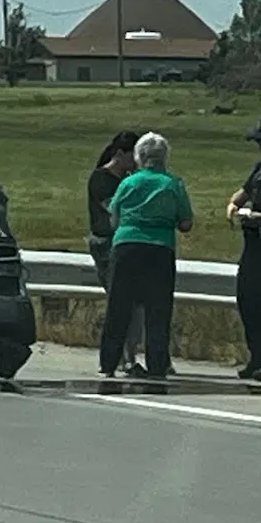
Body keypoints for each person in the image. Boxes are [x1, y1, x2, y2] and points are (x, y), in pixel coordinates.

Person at [99, 132, 193, 380]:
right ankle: (157, 364)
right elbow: (185, 223)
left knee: (118, 306)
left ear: (139, 156)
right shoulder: (173, 184)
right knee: (158, 310)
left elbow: (114, 218)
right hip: (160, 249)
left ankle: (108, 362)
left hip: (126, 246)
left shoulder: (128, 183)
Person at [225, 114, 261, 381]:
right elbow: (242, 193)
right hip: (254, 244)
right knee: (249, 300)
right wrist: (233, 206)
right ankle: (256, 357)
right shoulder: (260, 168)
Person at [87, 130, 145, 376]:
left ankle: (129, 353)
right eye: (133, 156)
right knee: (119, 301)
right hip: (106, 245)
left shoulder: (130, 179)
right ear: (119, 154)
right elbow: (116, 210)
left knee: (135, 302)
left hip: (127, 243)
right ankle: (123, 356)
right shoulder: (101, 179)